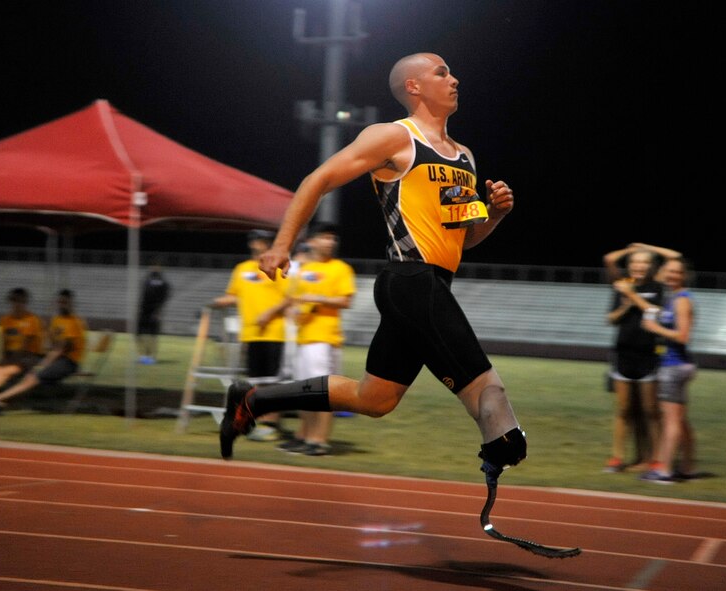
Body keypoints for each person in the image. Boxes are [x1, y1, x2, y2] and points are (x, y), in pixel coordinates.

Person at [219, 53, 526, 482]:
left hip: (436, 284)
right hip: (409, 279)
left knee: (375, 400)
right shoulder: (393, 137)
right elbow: (318, 179)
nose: (455, 79)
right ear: (414, 87)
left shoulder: (464, 157)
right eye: (442, 72)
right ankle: (504, 439)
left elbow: (462, 239)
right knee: (484, 388)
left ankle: (252, 400)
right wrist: (282, 244)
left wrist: (493, 216)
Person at [277, 223, 355, 456]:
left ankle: (319, 441)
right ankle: (304, 436)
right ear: (311, 242)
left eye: (332, 238)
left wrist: (316, 297)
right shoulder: (303, 270)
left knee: (322, 394)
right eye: (324, 237)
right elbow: (293, 301)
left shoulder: (340, 269)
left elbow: (345, 301)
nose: (330, 242)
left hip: (324, 340)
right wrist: (293, 311)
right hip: (303, 339)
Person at [603, 243, 681, 472]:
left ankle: (655, 457)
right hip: (623, 353)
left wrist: (645, 247)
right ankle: (617, 457)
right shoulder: (622, 285)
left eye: (644, 262)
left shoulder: (657, 285)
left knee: (650, 411)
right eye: (635, 262)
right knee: (624, 410)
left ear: (651, 266)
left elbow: (654, 311)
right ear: (629, 266)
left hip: (647, 354)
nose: (639, 266)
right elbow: (611, 319)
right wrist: (626, 303)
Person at [624, 258, 698, 484]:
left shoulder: (682, 300)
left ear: (684, 275)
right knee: (680, 421)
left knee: (671, 422)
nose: (672, 275)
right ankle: (688, 466)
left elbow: (683, 336)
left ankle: (664, 471)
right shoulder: (673, 297)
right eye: (670, 271)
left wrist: (655, 328)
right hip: (676, 365)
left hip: (675, 366)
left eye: (677, 272)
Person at [211, 230, 289, 442]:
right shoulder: (242, 269)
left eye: (262, 241)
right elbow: (232, 296)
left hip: (273, 333)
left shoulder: (277, 267)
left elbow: (288, 298)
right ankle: (259, 421)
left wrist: (269, 313)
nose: (257, 245)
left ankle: (272, 424)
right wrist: (215, 303)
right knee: (256, 381)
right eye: (254, 241)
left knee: (272, 382)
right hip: (250, 334)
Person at [0, 289, 87, 413]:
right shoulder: (56, 320)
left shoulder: (75, 322)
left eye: (65, 302)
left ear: (72, 303)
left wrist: (42, 365)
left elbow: (60, 349)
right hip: (56, 359)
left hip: (68, 362)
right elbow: (53, 345)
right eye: (60, 302)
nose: (62, 305)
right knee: (26, 371)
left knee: (33, 377)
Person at [137, 265, 170, 364]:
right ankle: (150, 356)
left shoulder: (147, 281)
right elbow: (164, 297)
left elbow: (143, 294)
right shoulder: (164, 283)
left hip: (146, 311)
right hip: (154, 311)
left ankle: (145, 356)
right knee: (152, 336)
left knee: (142, 334)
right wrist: (159, 311)